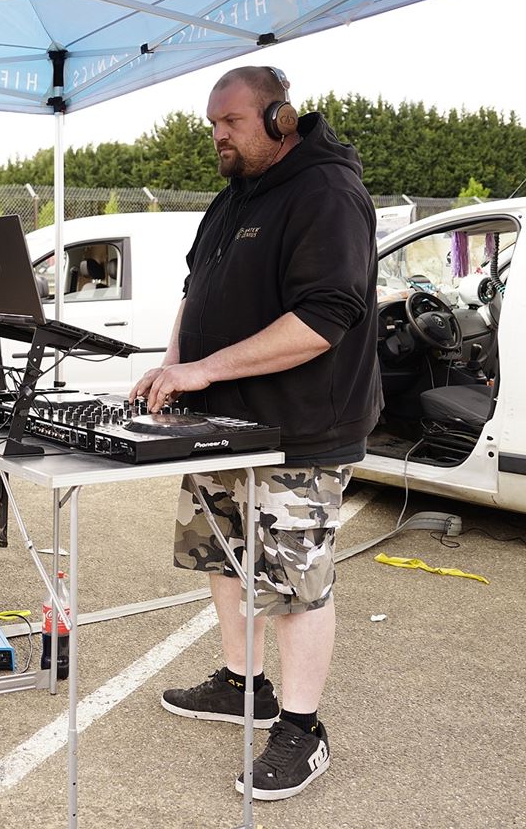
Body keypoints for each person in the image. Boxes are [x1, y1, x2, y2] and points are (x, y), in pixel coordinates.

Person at [130, 66, 381, 801]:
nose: (218, 137)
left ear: (280, 119)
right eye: (212, 125)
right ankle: (245, 685)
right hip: (222, 427)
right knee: (223, 556)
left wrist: (203, 369)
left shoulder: (327, 192)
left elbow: (324, 319)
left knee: (294, 584)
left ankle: (303, 729)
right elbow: (194, 293)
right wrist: (171, 369)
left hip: (299, 432)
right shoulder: (233, 196)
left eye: (231, 123)